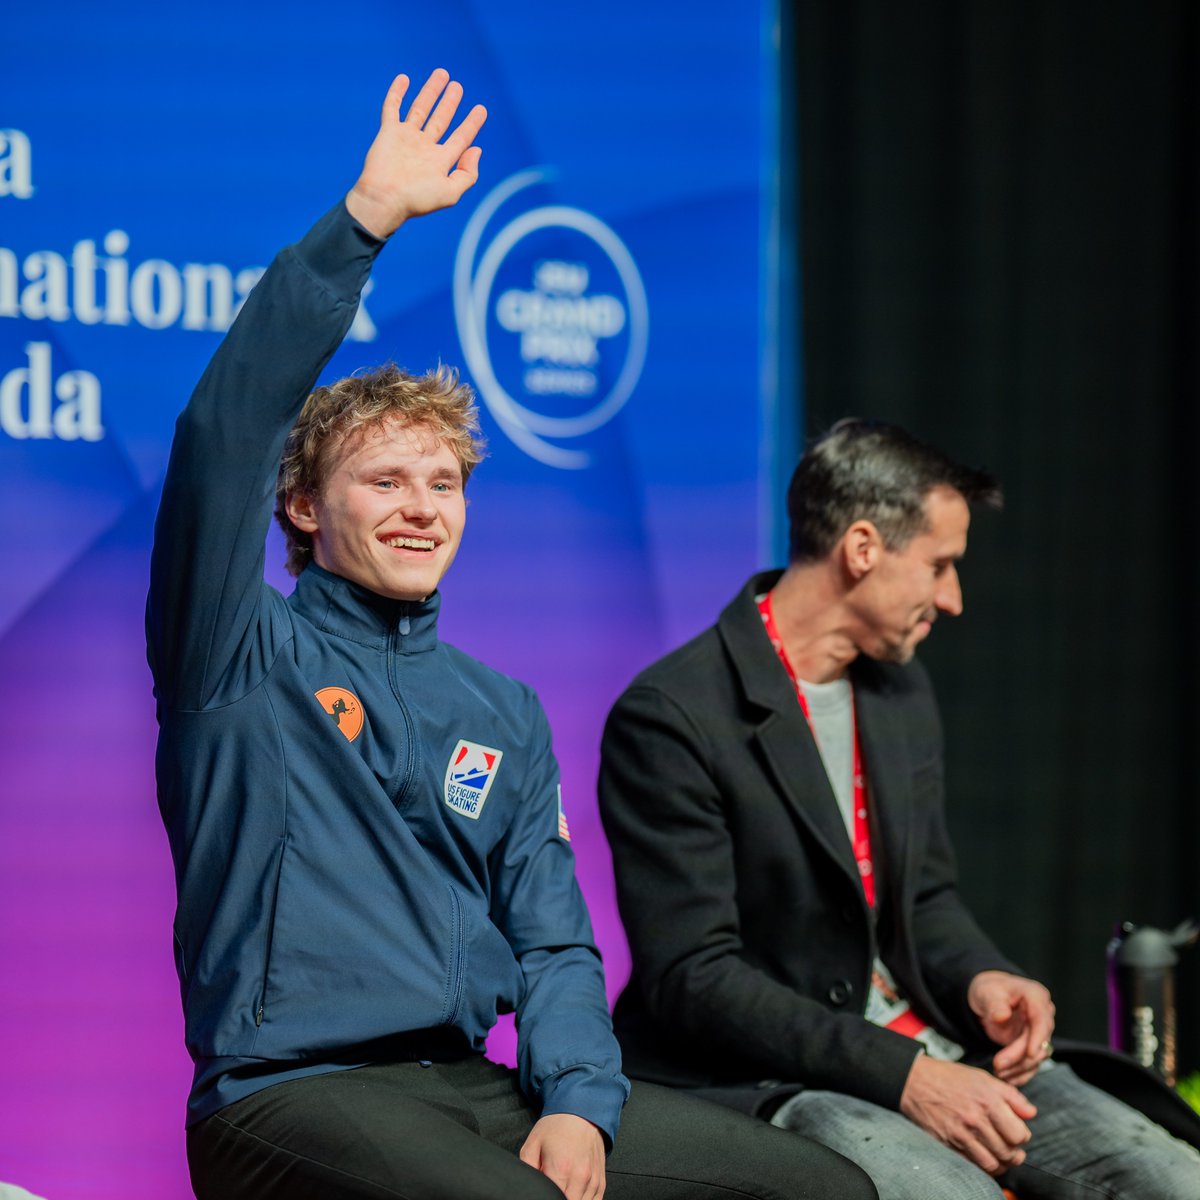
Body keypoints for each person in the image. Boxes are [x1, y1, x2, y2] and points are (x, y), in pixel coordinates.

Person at [146, 68, 877, 1200]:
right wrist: (362, 225)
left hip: (475, 1086)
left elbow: (553, 942)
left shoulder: (502, 709)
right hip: (287, 1094)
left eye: (443, 482)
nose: (420, 506)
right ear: (302, 508)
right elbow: (220, 430)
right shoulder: (237, 658)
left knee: (824, 1190)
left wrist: (583, 1102)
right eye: (383, 479)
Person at [599, 420, 1200, 1199]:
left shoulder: (899, 687)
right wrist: (903, 1074)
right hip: (772, 1075)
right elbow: (695, 978)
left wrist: (983, 976)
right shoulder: (671, 715)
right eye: (941, 566)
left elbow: (923, 897)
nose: (953, 600)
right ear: (861, 549)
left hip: (936, 1051)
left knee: (1178, 1180)